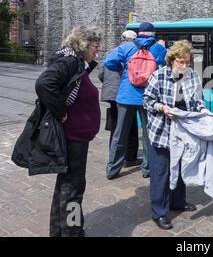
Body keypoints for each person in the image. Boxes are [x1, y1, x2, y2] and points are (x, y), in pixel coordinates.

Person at [34, 26, 101, 237]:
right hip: (73, 139)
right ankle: (73, 233)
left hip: (75, 137)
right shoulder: (70, 62)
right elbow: (44, 84)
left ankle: (58, 232)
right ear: (84, 45)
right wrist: (61, 112)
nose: (97, 52)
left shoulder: (76, 62)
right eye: (95, 47)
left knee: (64, 187)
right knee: (73, 190)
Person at [143, 40, 209, 230]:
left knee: (181, 168)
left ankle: (178, 202)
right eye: (181, 61)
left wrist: (203, 109)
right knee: (161, 172)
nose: (185, 65)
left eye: (187, 62)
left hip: (184, 132)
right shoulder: (159, 76)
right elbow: (147, 101)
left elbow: (197, 100)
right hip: (162, 132)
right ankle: (159, 212)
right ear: (172, 60)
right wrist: (163, 107)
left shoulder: (192, 76)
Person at [104, 22, 167, 179]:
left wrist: (124, 69)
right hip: (149, 96)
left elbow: (108, 62)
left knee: (120, 133)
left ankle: (112, 169)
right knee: (149, 133)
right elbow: (168, 64)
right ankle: (147, 169)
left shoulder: (127, 47)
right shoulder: (158, 48)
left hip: (127, 94)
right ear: (152, 34)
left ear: (139, 33)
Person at [98, 30, 141, 168]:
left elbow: (101, 74)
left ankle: (114, 156)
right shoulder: (133, 52)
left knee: (116, 127)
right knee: (131, 126)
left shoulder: (111, 52)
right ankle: (129, 158)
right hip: (124, 95)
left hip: (110, 94)